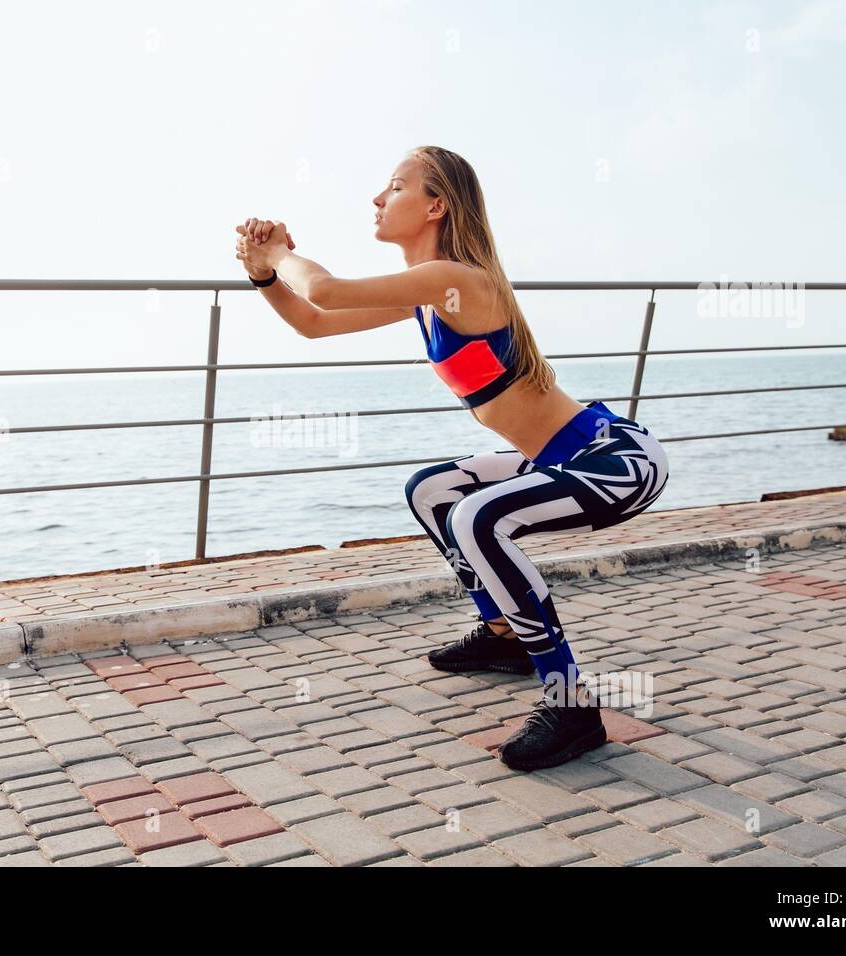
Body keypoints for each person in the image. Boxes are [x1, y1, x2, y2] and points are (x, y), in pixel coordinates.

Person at [234, 145, 670, 771]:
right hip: (558, 459)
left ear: (436, 205)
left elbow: (326, 289)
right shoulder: (427, 295)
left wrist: (277, 251)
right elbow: (313, 321)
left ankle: (572, 705)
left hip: (612, 460)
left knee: (477, 518)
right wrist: (263, 275)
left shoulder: (458, 280)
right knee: (432, 491)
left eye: (394, 187)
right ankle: (505, 639)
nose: (377, 199)